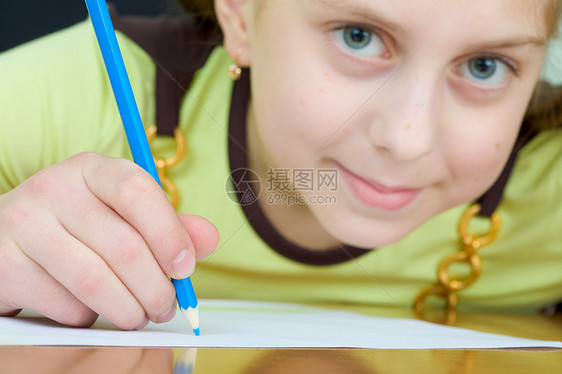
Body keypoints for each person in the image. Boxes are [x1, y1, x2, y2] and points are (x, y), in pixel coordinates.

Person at [0, 0, 560, 331]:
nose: (409, 139)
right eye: (359, 37)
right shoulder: (70, 96)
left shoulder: (549, 188)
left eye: (486, 66)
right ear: (241, 15)